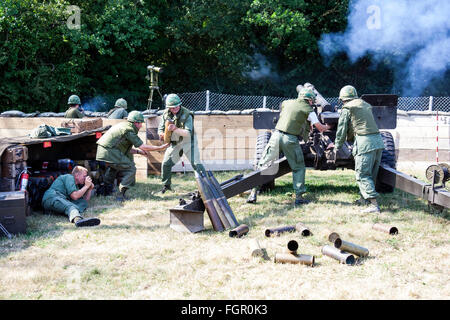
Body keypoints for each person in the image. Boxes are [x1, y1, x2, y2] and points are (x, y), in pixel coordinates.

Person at [247, 87, 330, 205]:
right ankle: (299, 197)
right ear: (310, 100)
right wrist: (329, 127)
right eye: (312, 100)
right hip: (290, 139)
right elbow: (320, 128)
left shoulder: (287, 103)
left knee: (263, 164)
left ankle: (253, 193)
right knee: (298, 167)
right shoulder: (309, 110)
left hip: (276, 136)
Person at [328, 85, 385, 213]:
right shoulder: (364, 104)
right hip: (378, 142)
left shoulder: (347, 108)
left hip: (365, 143)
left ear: (343, 99)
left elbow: (342, 129)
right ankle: (364, 199)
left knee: (362, 174)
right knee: (371, 173)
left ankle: (373, 205)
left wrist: (336, 145)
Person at [96, 110, 169, 201]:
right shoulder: (129, 130)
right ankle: (121, 194)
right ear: (135, 122)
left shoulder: (123, 126)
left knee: (114, 168)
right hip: (109, 151)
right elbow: (142, 146)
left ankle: (105, 191)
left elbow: (122, 147)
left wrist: (139, 152)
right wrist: (159, 148)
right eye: (140, 123)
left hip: (103, 151)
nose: (141, 125)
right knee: (131, 168)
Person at [157, 93, 206, 193]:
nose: (174, 109)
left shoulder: (187, 114)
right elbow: (160, 129)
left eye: (176, 106)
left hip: (189, 143)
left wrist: (174, 129)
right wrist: (162, 135)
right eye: (172, 107)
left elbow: (187, 133)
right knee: (166, 164)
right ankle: (166, 186)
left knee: (196, 164)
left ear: (180, 104)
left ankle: (206, 184)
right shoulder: (166, 114)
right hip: (175, 144)